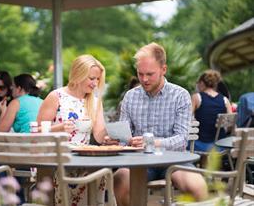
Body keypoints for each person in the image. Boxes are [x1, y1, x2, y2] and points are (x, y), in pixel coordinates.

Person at [114, 43, 208, 206]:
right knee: (119, 180)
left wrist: (151, 142)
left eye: (150, 74)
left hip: (174, 160)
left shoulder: (180, 95)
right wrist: (121, 140)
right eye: (140, 74)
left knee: (198, 187)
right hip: (138, 161)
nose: (144, 79)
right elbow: (124, 138)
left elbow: (181, 140)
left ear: (163, 69)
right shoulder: (130, 97)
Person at [37, 54, 117, 205]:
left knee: (101, 173)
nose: (95, 83)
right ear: (78, 74)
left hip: (83, 159)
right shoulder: (56, 96)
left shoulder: (94, 102)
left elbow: (99, 136)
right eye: (91, 78)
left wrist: (109, 137)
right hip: (57, 160)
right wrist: (59, 128)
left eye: (98, 79)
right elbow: (37, 131)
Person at [192, 70, 232, 152]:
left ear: (202, 83)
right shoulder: (225, 100)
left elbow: (186, 118)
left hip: (201, 144)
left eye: (198, 83)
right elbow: (230, 123)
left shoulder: (196, 97)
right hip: (221, 145)